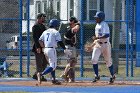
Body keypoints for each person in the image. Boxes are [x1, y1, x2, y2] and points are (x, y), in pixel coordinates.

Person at [38, 19, 72, 85]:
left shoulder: (45, 31)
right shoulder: (55, 32)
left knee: (52, 65)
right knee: (53, 66)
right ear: (55, 25)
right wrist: (64, 49)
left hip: (46, 49)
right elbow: (60, 42)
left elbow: (40, 40)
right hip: (51, 50)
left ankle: (53, 79)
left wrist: (43, 47)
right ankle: (41, 74)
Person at [91, 11, 115, 84]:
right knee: (94, 59)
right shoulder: (96, 26)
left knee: (108, 61)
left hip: (105, 44)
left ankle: (112, 75)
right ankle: (96, 75)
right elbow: (97, 38)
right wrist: (93, 43)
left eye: (97, 18)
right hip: (98, 44)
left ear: (101, 18)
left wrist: (97, 37)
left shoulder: (104, 25)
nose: (96, 19)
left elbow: (107, 35)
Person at [60, 16, 80, 83]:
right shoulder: (70, 29)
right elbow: (75, 29)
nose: (76, 23)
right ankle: (68, 76)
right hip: (69, 47)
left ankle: (66, 75)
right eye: (75, 22)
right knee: (72, 62)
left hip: (70, 47)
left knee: (72, 62)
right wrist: (78, 24)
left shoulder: (70, 28)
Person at [32, 13, 48, 81]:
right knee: (39, 62)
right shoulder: (35, 26)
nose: (44, 19)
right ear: (39, 18)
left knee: (45, 62)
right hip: (38, 47)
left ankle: (37, 74)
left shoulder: (43, 26)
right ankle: (40, 76)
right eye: (42, 17)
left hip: (44, 46)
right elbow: (35, 38)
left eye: (44, 17)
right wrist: (38, 47)